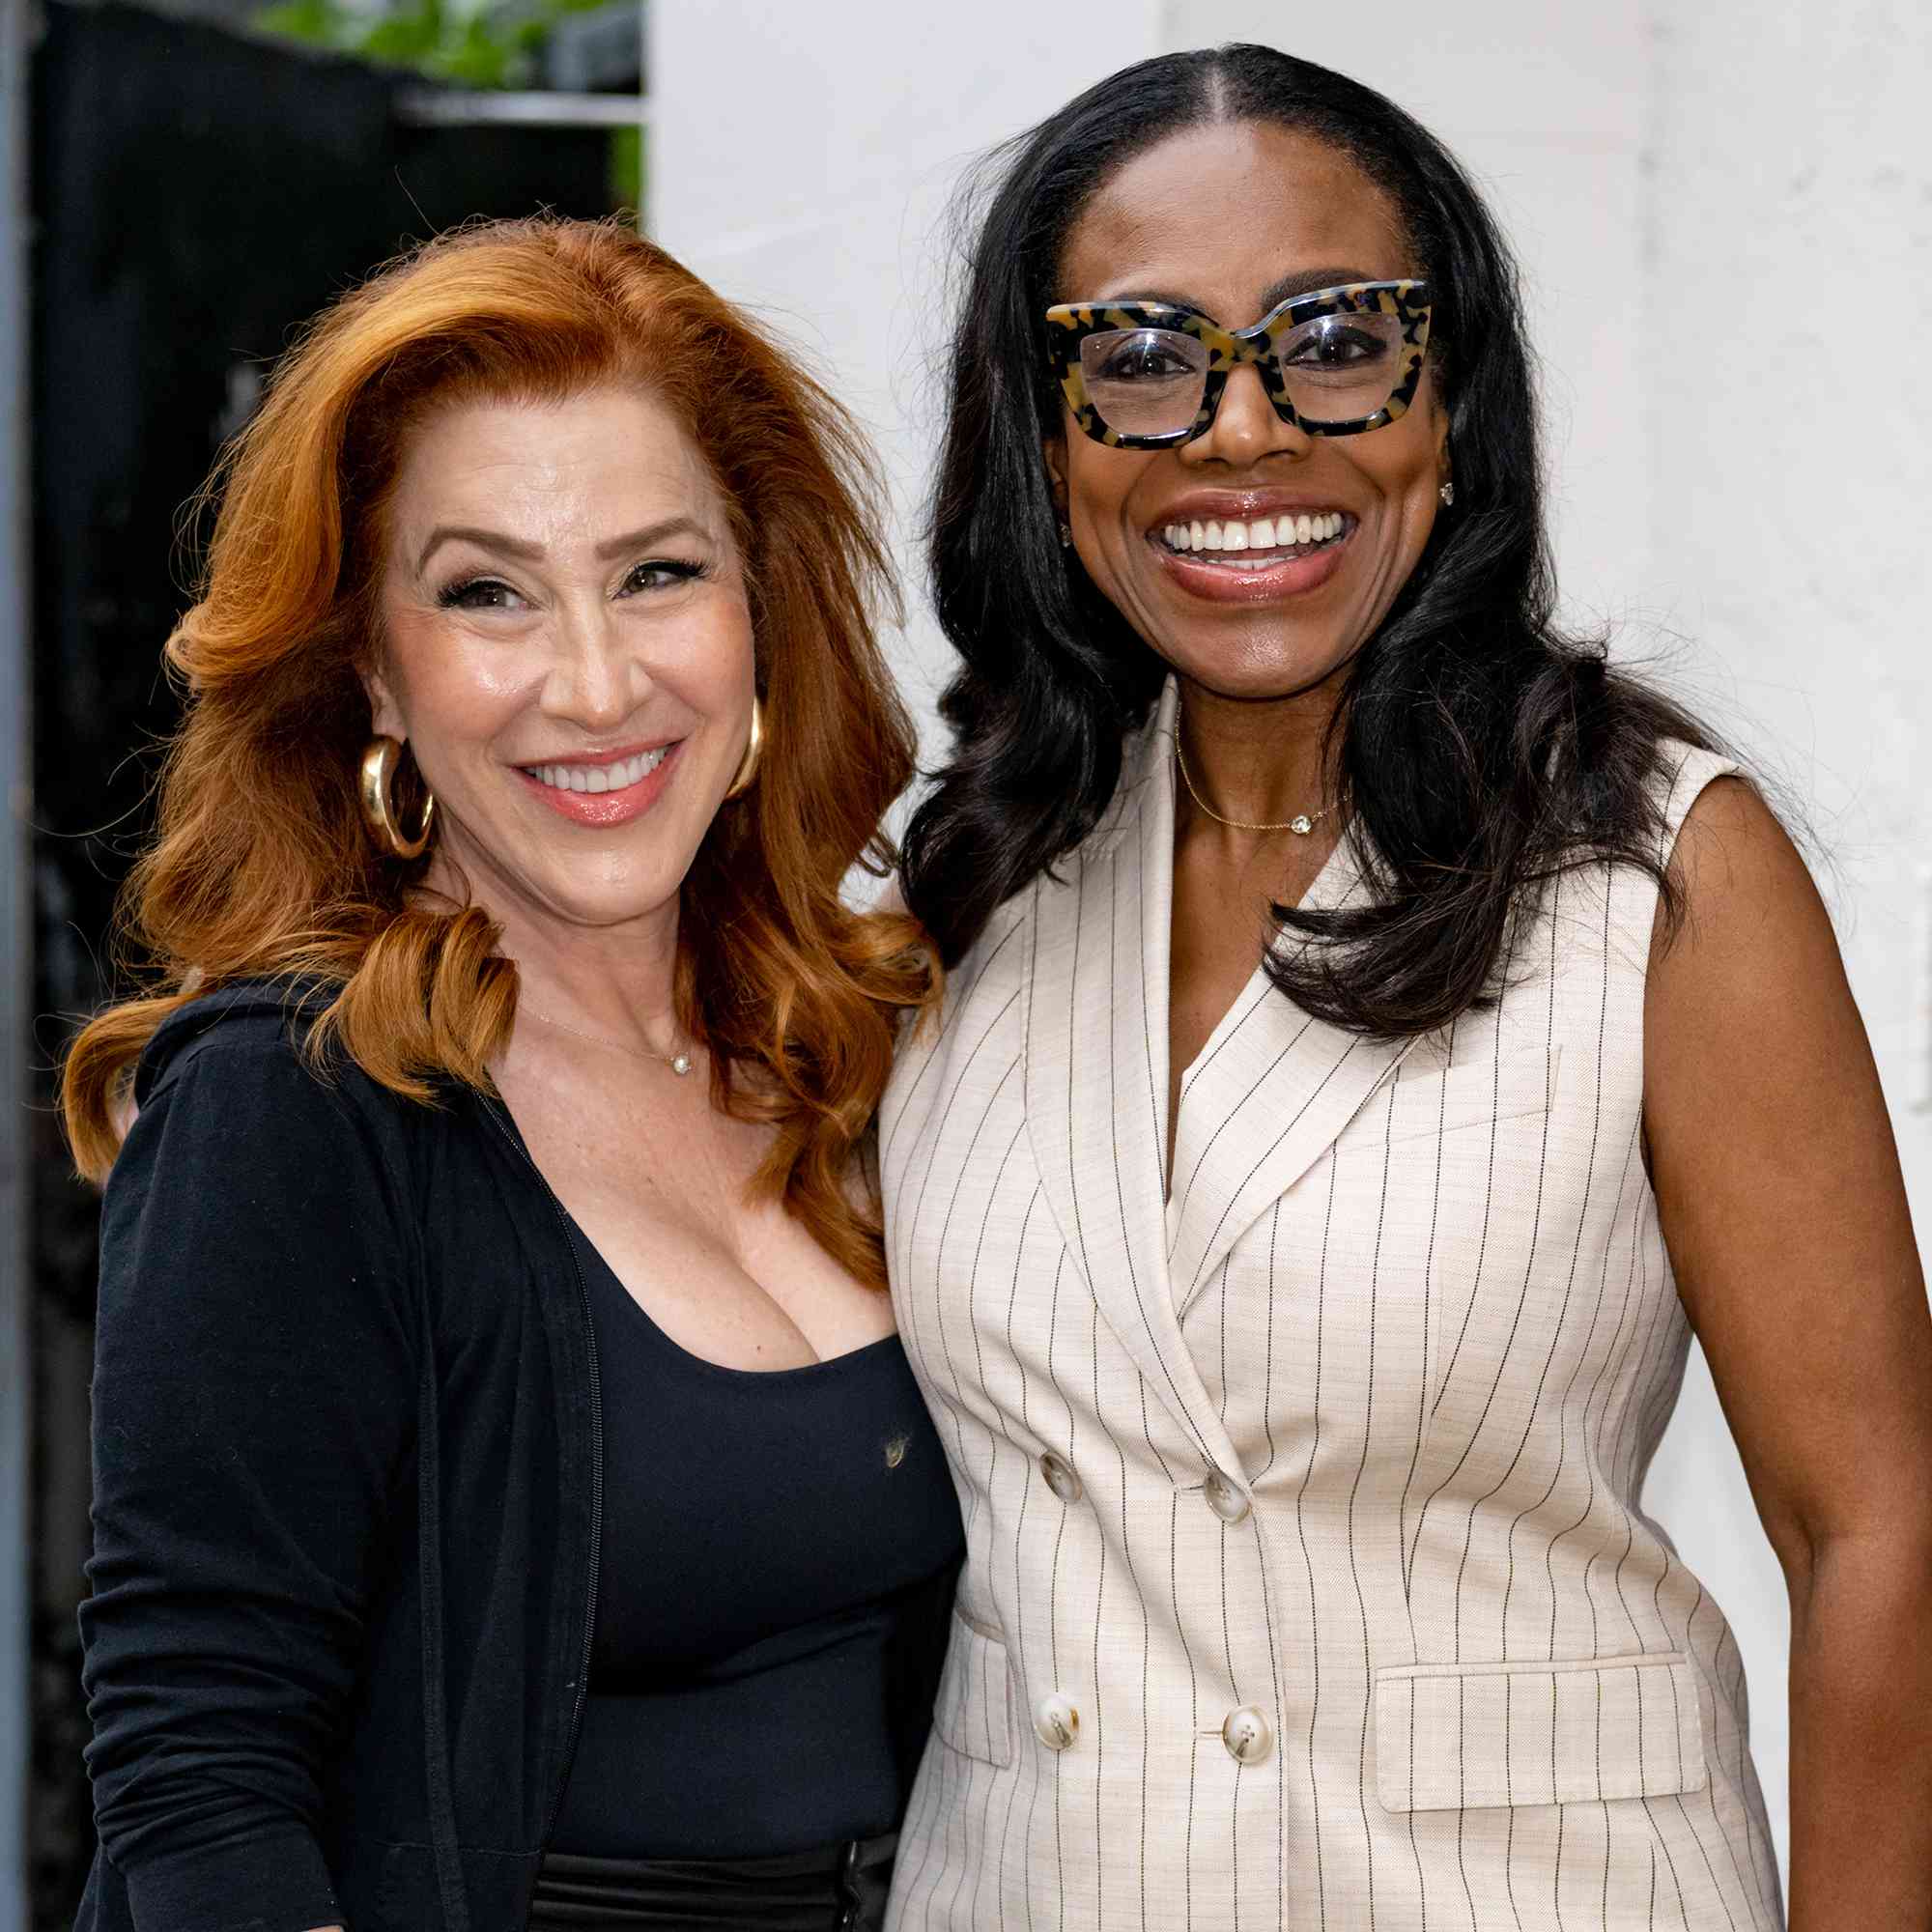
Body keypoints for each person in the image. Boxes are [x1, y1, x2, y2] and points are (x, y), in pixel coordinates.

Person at [883, 44, 1932, 1932]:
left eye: (1335, 340)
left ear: (1447, 407)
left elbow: (1874, 1532)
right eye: (1136, 357)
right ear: (1047, 443)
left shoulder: (1659, 870)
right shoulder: (970, 880)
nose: (1240, 433)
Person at [62, 214, 960, 1932]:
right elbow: (200, 1774)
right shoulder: (296, 1099)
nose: (598, 683)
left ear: (761, 604)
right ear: (371, 666)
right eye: (487, 593)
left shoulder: (849, 1040)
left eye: (657, 572)